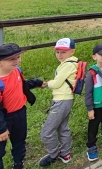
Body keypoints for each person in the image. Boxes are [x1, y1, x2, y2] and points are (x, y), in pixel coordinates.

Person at [0, 43, 45, 169]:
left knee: (19, 142)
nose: (16, 61)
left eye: (18, 57)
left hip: (20, 114)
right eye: (11, 59)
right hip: (3, 119)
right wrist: (0, 129)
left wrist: (36, 82)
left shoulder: (16, 71)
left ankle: (18, 164)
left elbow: (21, 85)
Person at [39, 38, 78, 167]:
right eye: (58, 52)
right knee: (63, 127)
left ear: (72, 51)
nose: (60, 55)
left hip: (61, 100)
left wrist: (46, 83)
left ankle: (54, 154)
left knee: (47, 132)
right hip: (66, 99)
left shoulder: (67, 65)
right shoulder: (71, 63)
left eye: (64, 52)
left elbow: (56, 83)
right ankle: (65, 153)